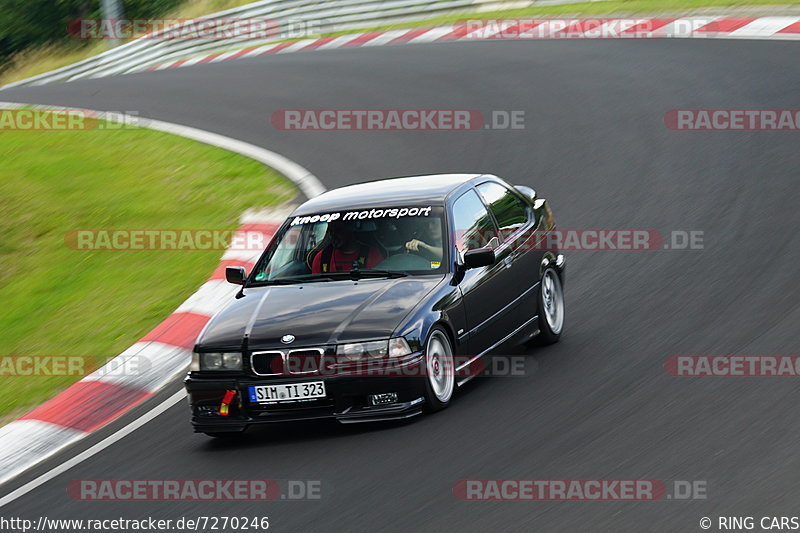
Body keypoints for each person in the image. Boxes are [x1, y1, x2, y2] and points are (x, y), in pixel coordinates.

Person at [311, 221, 383, 273]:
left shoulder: (372, 254)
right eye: (331, 231)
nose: (333, 235)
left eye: (338, 230)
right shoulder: (322, 258)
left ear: (350, 231)